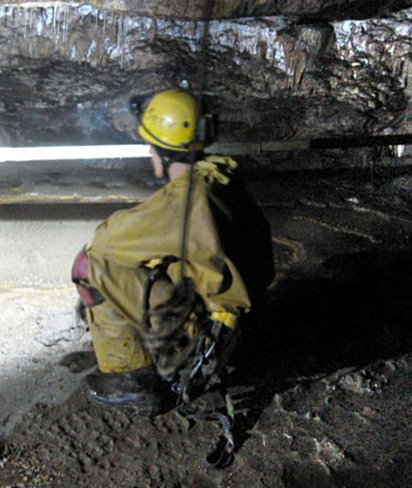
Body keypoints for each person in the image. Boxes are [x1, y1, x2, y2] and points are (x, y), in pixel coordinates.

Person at [71, 88, 274, 414]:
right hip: (242, 326)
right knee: (153, 260)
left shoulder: (183, 203)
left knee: (90, 267)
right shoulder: (221, 179)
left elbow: (105, 242)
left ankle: (130, 379)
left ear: (160, 150)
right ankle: (150, 350)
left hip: (208, 342)